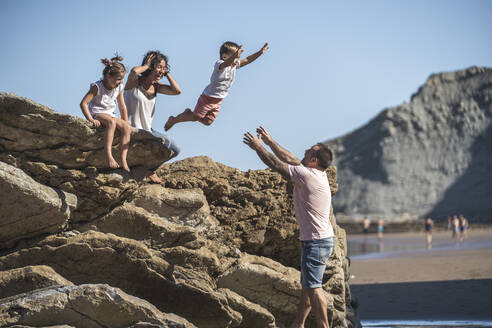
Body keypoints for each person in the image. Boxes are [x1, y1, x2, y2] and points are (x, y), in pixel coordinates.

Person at [243, 126, 334, 328]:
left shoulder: (307, 176)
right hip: (319, 240)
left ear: (314, 160)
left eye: (309, 151)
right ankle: (298, 324)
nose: (305, 151)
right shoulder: (317, 173)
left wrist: (258, 148)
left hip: (316, 242)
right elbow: (291, 158)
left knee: (314, 287)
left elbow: (277, 165)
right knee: (308, 287)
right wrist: (269, 141)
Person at [164, 41, 269, 131]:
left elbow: (248, 60)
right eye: (234, 56)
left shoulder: (234, 65)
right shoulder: (220, 64)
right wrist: (234, 57)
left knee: (208, 122)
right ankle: (174, 120)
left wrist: (260, 52)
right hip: (208, 97)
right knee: (195, 117)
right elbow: (227, 63)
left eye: (237, 57)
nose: (237, 59)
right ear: (224, 56)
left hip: (219, 100)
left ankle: (190, 113)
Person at [124, 50, 182, 184]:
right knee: (163, 146)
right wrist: (147, 64)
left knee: (175, 149)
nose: (161, 71)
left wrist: (166, 73)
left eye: (164, 68)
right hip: (133, 129)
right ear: (150, 66)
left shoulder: (156, 87)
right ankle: (148, 170)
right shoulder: (134, 82)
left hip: (148, 131)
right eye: (159, 67)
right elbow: (133, 71)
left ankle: (150, 170)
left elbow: (177, 91)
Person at [80, 55, 133, 172]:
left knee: (127, 128)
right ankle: (108, 155)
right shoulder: (97, 87)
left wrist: (125, 122)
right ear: (108, 76)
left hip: (111, 113)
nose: (120, 82)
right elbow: (83, 103)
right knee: (111, 122)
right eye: (118, 79)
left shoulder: (119, 87)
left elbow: (122, 106)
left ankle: (122, 158)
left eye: (122, 79)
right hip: (98, 112)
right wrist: (91, 119)